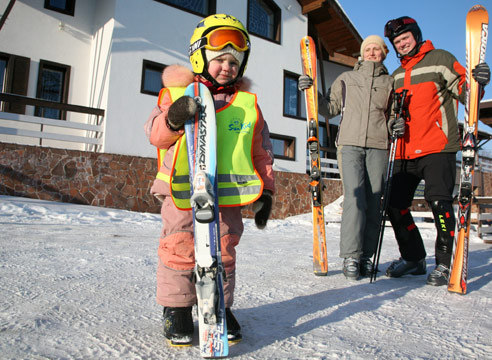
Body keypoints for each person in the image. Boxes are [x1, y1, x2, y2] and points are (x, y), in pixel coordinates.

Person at [144, 14, 275, 346]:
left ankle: (217, 306)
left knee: (224, 251)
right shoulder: (177, 94)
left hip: (227, 197)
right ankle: (176, 309)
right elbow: (155, 134)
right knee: (179, 248)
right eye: (220, 59)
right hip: (184, 194)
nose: (227, 67)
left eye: (235, 61)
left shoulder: (247, 105)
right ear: (200, 57)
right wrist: (174, 119)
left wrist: (266, 192)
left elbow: (262, 152)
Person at [383, 16, 490, 286]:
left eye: (405, 38)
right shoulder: (395, 76)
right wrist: (391, 123)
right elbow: (391, 113)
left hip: (437, 146)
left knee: (439, 203)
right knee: (394, 206)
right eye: (397, 41)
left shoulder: (440, 58)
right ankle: (414, 258)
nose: (402, 44)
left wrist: (478, 82)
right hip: (403, 152)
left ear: (416, 36)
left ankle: (444, 263)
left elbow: (467, 92)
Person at [299, 35, 394, 280]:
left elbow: (393, 115)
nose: (372, 52)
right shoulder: (346, 79)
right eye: (368, 49)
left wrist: (397, 124)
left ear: (384, 53)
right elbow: (329, 108)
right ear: (362, 53)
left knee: (375, 201)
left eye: (377, 49)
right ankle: (351, 256)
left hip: (379, 146)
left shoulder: (391, 83)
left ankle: (366, 256)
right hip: (350, 144)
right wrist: (310, 89)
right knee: (355, 197)